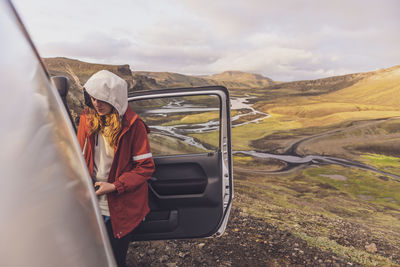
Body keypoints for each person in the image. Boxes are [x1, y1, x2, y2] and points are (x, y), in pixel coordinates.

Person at [77, 70, 155, 267]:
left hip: (119, 206)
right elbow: (78, 155)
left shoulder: (133, 126)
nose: (96, 103)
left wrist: (114, 186)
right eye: (93, 97)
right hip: (91, 202)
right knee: (91, 257)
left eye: (102, 99)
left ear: (116, 99)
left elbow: (145, 167)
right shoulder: (86, 119)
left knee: (115, 260)